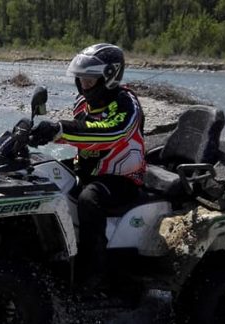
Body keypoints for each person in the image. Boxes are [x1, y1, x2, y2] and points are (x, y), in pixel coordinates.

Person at [29, 43, 146, 280]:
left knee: (88, 199)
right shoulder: (83, 102)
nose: (84, 84)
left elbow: (109, 132)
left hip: (121, 179)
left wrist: (59, 130)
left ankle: (93, 273)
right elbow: (81, 130)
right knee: (40, 171)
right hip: (87, 169)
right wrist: (36, 132)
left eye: (90, 79)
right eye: (81, 78)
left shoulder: (126, 103)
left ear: (109, 77)